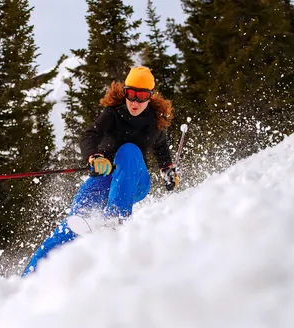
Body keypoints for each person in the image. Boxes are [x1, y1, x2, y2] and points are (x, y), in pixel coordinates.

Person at [21, 66, 180, 277]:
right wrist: (95, 156)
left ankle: (115, 219)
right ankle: (29, 277)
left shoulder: (155, 120)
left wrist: (167, 169)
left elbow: (161, 145)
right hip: (104, 181)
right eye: (130, 94)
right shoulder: (114, 113)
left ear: (150, 97)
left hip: (134, 182)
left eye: (141, 96)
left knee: (128, 151)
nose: (135, 101)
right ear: (125, 92)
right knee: (74, 223)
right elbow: (90, 136)